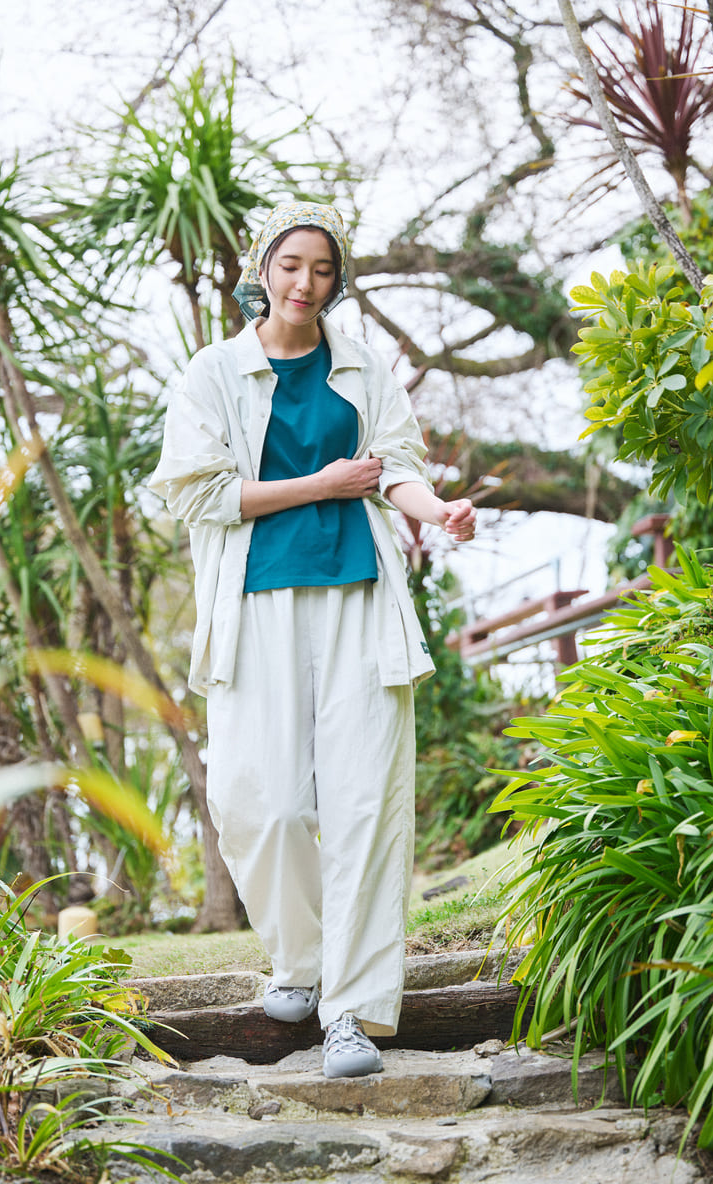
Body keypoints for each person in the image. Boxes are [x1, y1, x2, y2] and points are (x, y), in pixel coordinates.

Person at [149, 201, 476, 1080]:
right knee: (261, 805)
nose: (305, 284)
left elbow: (394, 468)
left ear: (337, 280)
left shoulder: (364, 368)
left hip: (360, 603)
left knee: (366, 806)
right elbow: (196, 494)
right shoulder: (213, 373)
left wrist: (436, 509)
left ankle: (352, 1016)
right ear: (264, 270)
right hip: (254, 608)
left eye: (323, 270)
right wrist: (319, 483)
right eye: (291, 265)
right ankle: (298, 961)